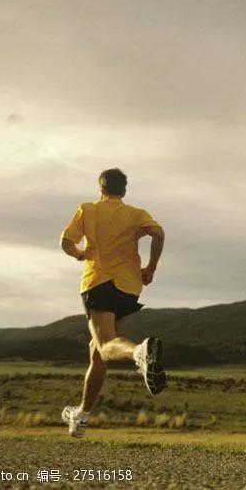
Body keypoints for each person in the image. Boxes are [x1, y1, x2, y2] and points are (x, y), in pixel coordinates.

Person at [58, 168, 167, 438]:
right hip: (129, 287)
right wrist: (151, 268)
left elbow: (66, 242)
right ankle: (81, 416)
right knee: (97, 351)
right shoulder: (137, 214)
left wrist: (80, 254)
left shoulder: (88, 209)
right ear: (124, 190)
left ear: (101, 188)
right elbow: (158, 233)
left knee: (106, 346)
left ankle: (138, 353)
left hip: (99, 282)